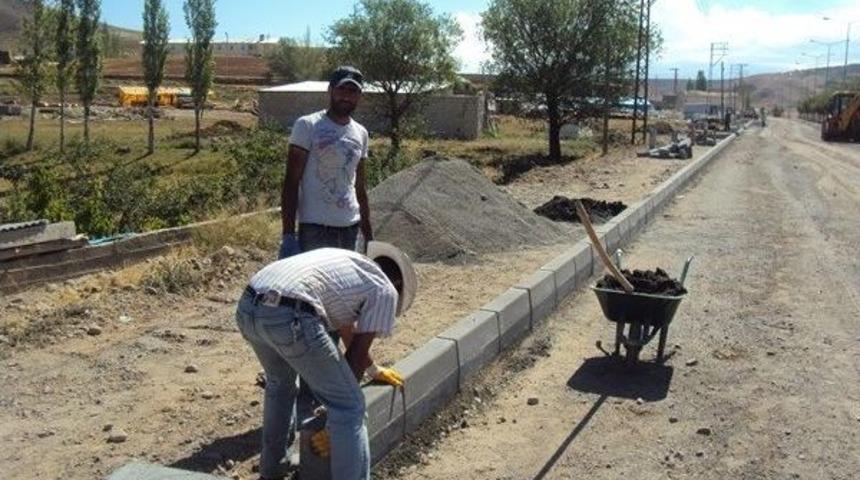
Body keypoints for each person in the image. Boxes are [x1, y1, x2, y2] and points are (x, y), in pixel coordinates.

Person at [236, 242, 416, 480]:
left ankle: (272, 472)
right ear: (399, 284)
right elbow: (356, 354)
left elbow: (348, 332)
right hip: (291, 314)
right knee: (350, 408)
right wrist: (335, 422)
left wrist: (373, 370)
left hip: (249, 305)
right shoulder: (385, 289)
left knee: (281, 385)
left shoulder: (350, 269)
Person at [279, 66, 373, 259]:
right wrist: (288, 234)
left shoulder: (361, 133)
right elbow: (291, 182)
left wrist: (368, 235)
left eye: (352, 91)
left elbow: (360, 187)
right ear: (330, 90)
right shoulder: (307, 125)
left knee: (346, 288)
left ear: (359, 96)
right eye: (341, 90)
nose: (346, 96)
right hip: (315, 229)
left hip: (350, 228)